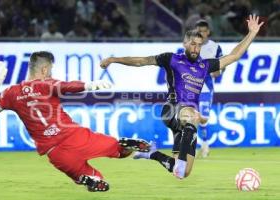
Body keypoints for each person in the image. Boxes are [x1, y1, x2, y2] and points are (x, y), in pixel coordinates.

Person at [100, 15, 263, 180]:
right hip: (172, 109)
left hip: (187, 123)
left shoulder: (204, 66)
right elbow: (142, 61)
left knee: (181, 172)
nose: (195, 48)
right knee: (193, 115)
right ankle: (188, 124)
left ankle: (152, 153)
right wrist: (114, 59)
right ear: (185, 44)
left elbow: (233, 56)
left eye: (199, 45)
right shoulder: (171, 59)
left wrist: (251, 34)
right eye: (192, 44)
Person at [0, 51, 150, 192]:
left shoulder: (10, 94)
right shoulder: (46, 84)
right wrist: (89, 85)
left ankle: (88, 179)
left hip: (54, 151)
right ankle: (122, 145)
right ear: (45, 69)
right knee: (120, 151)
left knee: (95, 181)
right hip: (75, 137)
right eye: (51, 70)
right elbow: (67, 86)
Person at [195, 19, 223, 158]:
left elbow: (220, 67)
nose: (202, 33)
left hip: (206, 87)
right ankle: (197, 145)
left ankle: (205, 144)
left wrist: (216, 71)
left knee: (204, 118)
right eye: (200, 31)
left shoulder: (215, 47)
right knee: (191, 117)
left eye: (204, 31)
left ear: (208, 32)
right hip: (192, 87)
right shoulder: (191, 46)